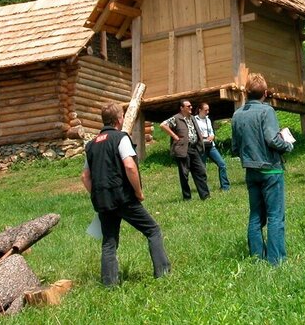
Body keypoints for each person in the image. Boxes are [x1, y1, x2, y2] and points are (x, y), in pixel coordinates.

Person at [82, 102, 170, 286]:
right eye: (122, 115)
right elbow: (130, 166)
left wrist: (97, 195)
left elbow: (85, 177)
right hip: (123, 198)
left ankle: (109, 284)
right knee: (152, 230)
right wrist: (138, 192)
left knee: (109, 242)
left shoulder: (91, 145)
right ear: (118, 119)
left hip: (103, 201)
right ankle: (163, 274)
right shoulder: (120, 138)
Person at [231, 73, 294, 265]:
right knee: (275, 216)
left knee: (256, 215)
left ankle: (258, 257)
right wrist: (288, 145)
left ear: (246, 93)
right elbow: (272, 139)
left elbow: (235, 148)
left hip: (251, 170)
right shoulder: (266, 112)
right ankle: (277, 260)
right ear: (265, 93)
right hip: (271, 169)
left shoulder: (237, 114)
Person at [161, 100, 210, 200]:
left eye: (191, 106)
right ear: (182, 108)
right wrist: (174, 136)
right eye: (188, 106)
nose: (191, 107)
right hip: (183, 149)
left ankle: (205, 196)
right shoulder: (176, 118)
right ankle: (187, 197)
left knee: (200, 171)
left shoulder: (192, 118)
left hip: (194, 148)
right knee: (184, 174)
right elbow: (163, 125)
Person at [195, 102, 229, 191]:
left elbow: (212, 132)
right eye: (205, 110)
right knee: (202, 168)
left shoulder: (208, 119)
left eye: (208, 110)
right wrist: (202, 137)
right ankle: (204, 188)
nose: (207, 112)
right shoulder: (194, 120)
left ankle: (225, 187)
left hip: (211, 146)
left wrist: (212, 136)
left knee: (222, 164)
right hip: (201, 146)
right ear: (200, 110)